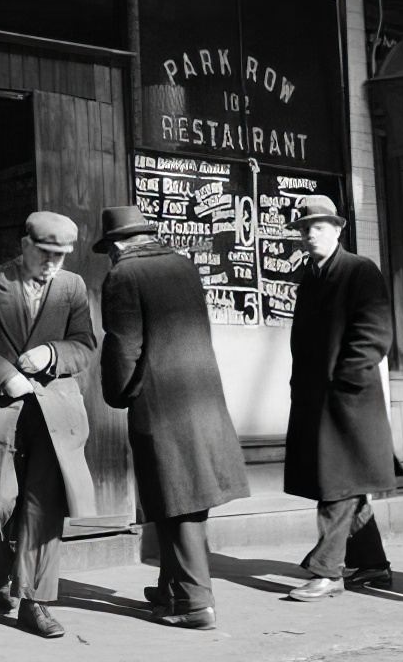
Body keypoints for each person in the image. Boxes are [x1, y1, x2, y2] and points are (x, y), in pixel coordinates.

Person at [96, 205, 249, 631]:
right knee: (183, 496)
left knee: (176, 497)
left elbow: (124, 344)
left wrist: (117, 392)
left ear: (117, 244)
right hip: (201, 398)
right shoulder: (183, 266)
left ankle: (196, 602)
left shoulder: (123, 276)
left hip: (160, 402)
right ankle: (172, 588)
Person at [0, 211, 97, 639]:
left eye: (62, 256)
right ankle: (0, 569)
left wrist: (53, 354)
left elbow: (84, 345)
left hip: (53, 412)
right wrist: (7, 376)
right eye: (46, 254)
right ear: (25, 245)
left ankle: (35, 602)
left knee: (43, 506)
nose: (53, 264)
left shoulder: (71, 287)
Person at [283, 195, 396, 602]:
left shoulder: (359, 271)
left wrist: (343, 381)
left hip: (350, 402)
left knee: (337, 486)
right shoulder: (310, 277)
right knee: (347, 483)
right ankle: (373, 565)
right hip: (318, 402)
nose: (310, 233)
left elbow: (375, 333)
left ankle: (327, 571)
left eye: (320, 226)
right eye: (304, 228)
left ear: (338, 229)